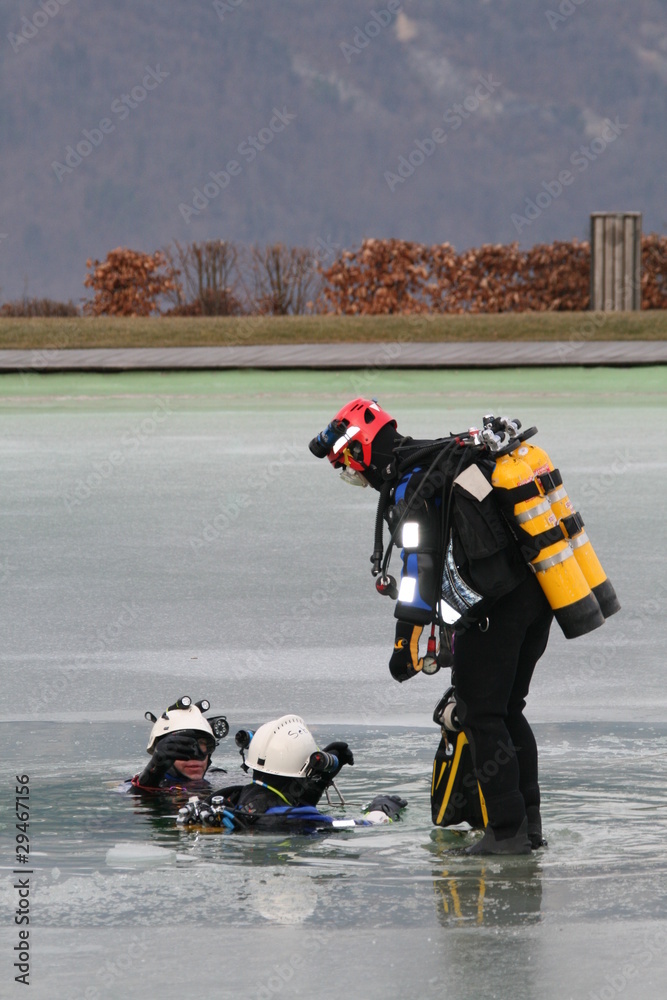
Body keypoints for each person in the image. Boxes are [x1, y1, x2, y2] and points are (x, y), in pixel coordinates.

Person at [309, 399, 619, 854]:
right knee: (509, 709)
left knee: (482, 715)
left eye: (345, 467)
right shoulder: (444, 458)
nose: (350, 477)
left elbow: (419, 568)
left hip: (498, 610)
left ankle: (507, 833)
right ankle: (528, 828)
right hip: (539, 596)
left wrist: (404, 641)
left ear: (358, 452)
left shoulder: (411, 485)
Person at [176, 714, 407, 833]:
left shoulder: (236, 798)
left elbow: (289, 799)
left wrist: (317, 784)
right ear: (307, 769)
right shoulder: (303, 818)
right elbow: (353, 825)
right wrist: (381, 810)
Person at [127, 695, 230, 802]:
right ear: (162, 751)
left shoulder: (218, 778)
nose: (195, 756)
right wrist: (153, 773)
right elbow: (132, 801)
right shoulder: (134, 785)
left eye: (203, 744)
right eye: (184, 746)